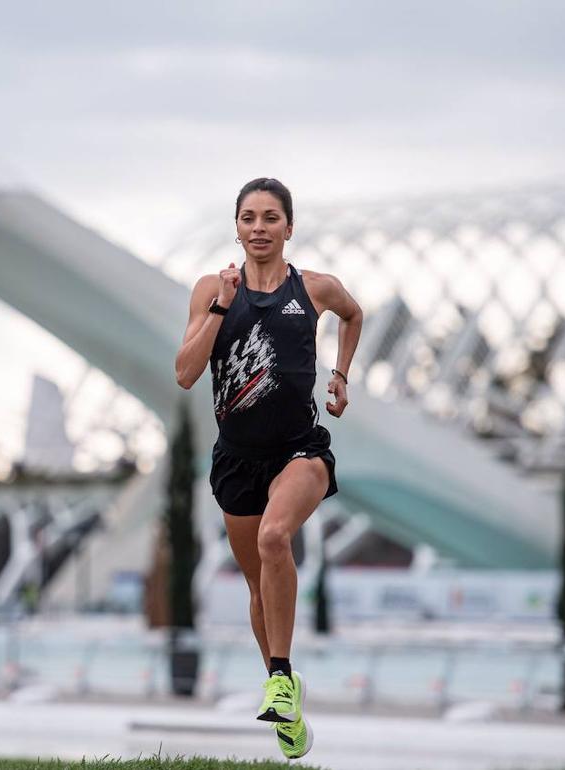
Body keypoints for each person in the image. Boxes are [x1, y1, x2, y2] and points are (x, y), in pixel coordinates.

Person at [174, 177, 363, 760]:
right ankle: (286, 692)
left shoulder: (315, 288)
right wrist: (220, 307)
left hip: (299, 450)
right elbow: (184, 372)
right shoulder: (212, 287)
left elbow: (353, 316)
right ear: (236, 226)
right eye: (249, 218)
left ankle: (280, 673)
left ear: (289, 227)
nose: (259, 228)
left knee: (275, 538)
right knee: (258, 585)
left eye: (271, 218)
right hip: (236, 459)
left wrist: (340, 374)